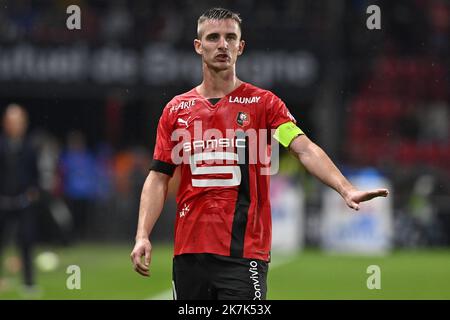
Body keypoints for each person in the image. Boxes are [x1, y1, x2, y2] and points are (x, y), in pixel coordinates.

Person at [130, 8, 389, 300]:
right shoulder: (175, 110)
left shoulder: (264, 105)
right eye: (213, 37)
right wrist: (142, 234)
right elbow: (158, 176)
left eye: (230, 37)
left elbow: (303, 148)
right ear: (198, 46)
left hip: (244, 255)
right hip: (189, 254)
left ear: (240, 47)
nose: (222, 45)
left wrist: (345, 188)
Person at [0, 104, 40, 293]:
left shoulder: (30, 147)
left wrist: (33, 191)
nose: (16, 126)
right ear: (5, 124)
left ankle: (29, 283)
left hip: (23, 202)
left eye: (19, 122)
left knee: (26, 240)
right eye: (12, 122)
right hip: (2, 201)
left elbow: (35, 176)